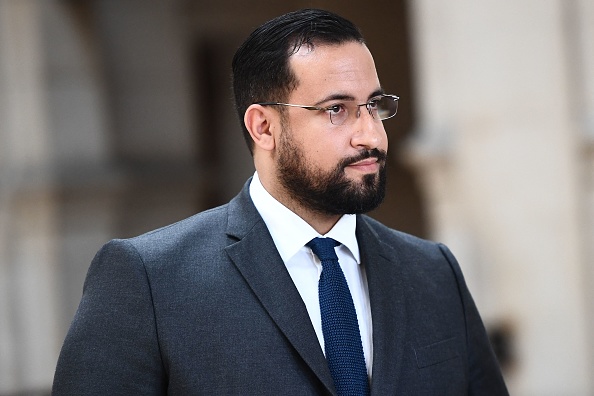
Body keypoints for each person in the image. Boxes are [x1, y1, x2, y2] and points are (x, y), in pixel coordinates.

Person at [53, 8, 508, 395]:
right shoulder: (148, 280)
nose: (371, 135)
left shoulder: (434, 271)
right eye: (336, 110)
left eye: (374, 105)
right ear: (263, 128)